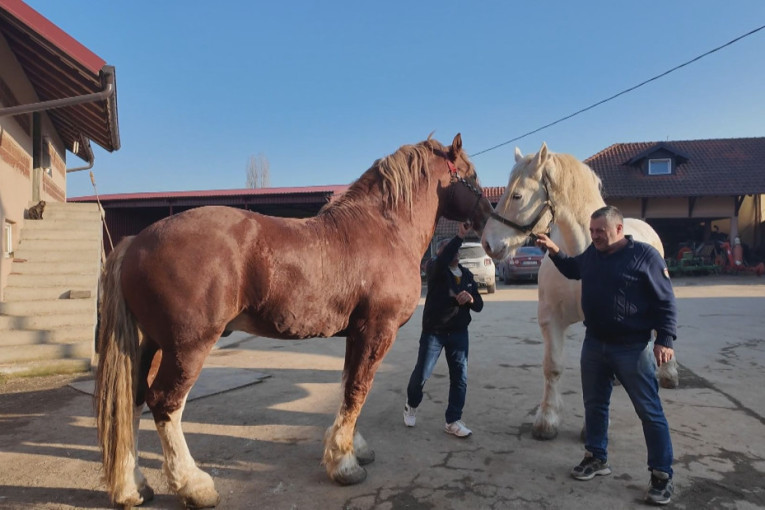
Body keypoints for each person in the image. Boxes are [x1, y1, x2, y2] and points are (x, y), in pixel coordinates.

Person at [534, 205, 677, 506]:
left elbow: (665, 300)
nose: (595, 236)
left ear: (618, 230)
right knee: (595, 405)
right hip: (595, 343)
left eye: (600, 231)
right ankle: (596, 457)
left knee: (649, 411)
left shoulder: (644, 257)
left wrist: (664, 339)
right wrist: (554, 250)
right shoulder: (592, 255)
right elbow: (574, 269)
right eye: (592, 231)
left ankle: (661, 475)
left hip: (632, 348)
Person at [404, 222, 484, 437]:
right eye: (448, 249)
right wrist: (458, 236)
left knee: (460, 377)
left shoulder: (466, 275)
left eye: (455, 249)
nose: (453, 252)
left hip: (459, 334)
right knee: (422, 373)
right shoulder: (435, 269)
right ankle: (411, 404)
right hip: (434, 332)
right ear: (440, 253)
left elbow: (479, 305)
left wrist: (470, 299)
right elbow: (441, 260)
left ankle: (453, 420)